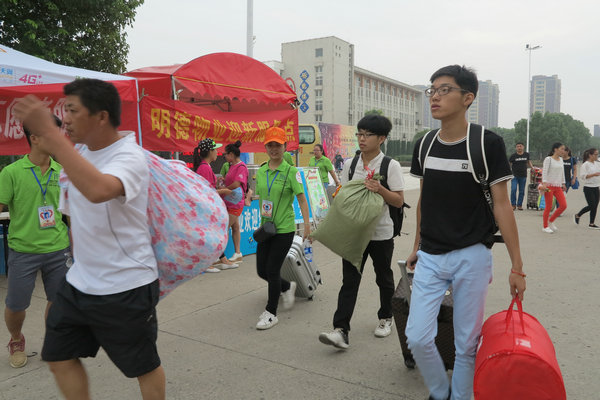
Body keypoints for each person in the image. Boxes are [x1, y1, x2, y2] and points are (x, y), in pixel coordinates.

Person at [14, 79, 166, 400]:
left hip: (126, 286)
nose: (65, 118)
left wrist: (53, 137)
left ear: (101, 116)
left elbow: (99, 190)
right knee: (57, 356)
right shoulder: (80, 152)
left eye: (72, 110)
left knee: (143, 366)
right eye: (62, 110)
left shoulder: (130, 156)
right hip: (80, 282)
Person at [405, 65, 526, 400]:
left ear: (468, 97)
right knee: (417, 336)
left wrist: (517, 266)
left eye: (444, 89)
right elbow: (424, 202)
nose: (435, 97)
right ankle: (441, 391)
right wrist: (416, 245)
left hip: (471, 256)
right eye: (432, 90)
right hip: (430, 255)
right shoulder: (425, 144)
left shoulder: (486, 144)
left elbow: (502, 206)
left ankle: (460, 396)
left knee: (466, 343)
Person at [319, 115, 404, 349]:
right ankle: (340, 329)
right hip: (355, 233)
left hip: (381, 233)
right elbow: (345, 194)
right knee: (350, 280)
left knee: (383, 277)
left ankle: (386, 317)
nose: (362, 139)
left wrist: (380, 190)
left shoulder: (390, 166)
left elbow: (398, 201)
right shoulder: (350, 164)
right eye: (360, 134)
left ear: (382, 138)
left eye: (367, 134)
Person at [0, 117, 70, 369]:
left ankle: (52, 341)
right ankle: (16, 339)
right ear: (35, 139)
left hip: (58, 248)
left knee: (58, 300)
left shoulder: (62, 171)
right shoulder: (11, 173)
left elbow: (70, 213)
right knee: (16, 304)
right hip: (23, 251)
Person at [254, 127, 310, 330]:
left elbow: (302, 200)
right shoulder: (261, 171)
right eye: (270, 145)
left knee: (272, 269)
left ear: (284, 146)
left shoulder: (291, 172)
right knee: (262, 271)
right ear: (266, 147)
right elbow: (261, 194)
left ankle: (271, 313)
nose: (274, 148)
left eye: (277, 145)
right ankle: (287, 286)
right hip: (265, 228)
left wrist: (306, 225)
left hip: (284, 229)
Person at [193, 138, 239, 272]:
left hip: (209, 207)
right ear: (210, 151)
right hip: (206, 208)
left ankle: (221, 258)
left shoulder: (205, 167)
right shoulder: (204, 168)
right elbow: (207, 191)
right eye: (215, 149)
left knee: (213, 235)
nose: (218, 152)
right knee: (210, 235)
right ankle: (208, 263)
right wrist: (224, 190)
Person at [222, 141, 248, 263]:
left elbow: (237, 184)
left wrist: (223, 190)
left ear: (231, 154)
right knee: (235, 227)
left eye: (226, 154)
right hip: (229, 201)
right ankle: (238, 253)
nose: (225, 156)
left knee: (224, 228)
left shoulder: (241, 167)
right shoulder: (231, 166)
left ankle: (220, 256)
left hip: (236, 202)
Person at [541, 142, 567, 234]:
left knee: (563, 205)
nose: (563, 151)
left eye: (564, 149)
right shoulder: (548, 159)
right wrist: (544, 183)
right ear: (555, 149)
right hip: (549, 186)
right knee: (548, 207)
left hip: (558, 186)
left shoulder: (561, 159)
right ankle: (545, 226)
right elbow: (544, 171)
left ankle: (551, 221)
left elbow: (562, 172)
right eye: (562, 149)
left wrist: (563, 183)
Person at [574, 148, 600, 229]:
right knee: (592, 205)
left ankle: (591, 223)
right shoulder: (585, 165)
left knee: (595, 206)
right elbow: (583, 176)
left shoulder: (597, 163)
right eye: (595, 154)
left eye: (597, 154)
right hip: (588, 188)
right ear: (590, 155)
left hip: (596, 187)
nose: (597, 156)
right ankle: (578, 215)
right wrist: (593, 174)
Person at [509, 142, 533, 210]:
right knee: (513, 189)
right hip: (514, 176)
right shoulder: (513, 156)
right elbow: (509, 164)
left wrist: (532, 168)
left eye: (520, 146)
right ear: (516, 148)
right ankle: (513, 205)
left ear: (523, 147)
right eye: (517, 146)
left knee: (521, 191)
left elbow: (529, 162)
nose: (519, 147)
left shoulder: (526, 155)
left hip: (523, 176)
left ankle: (519, 205)